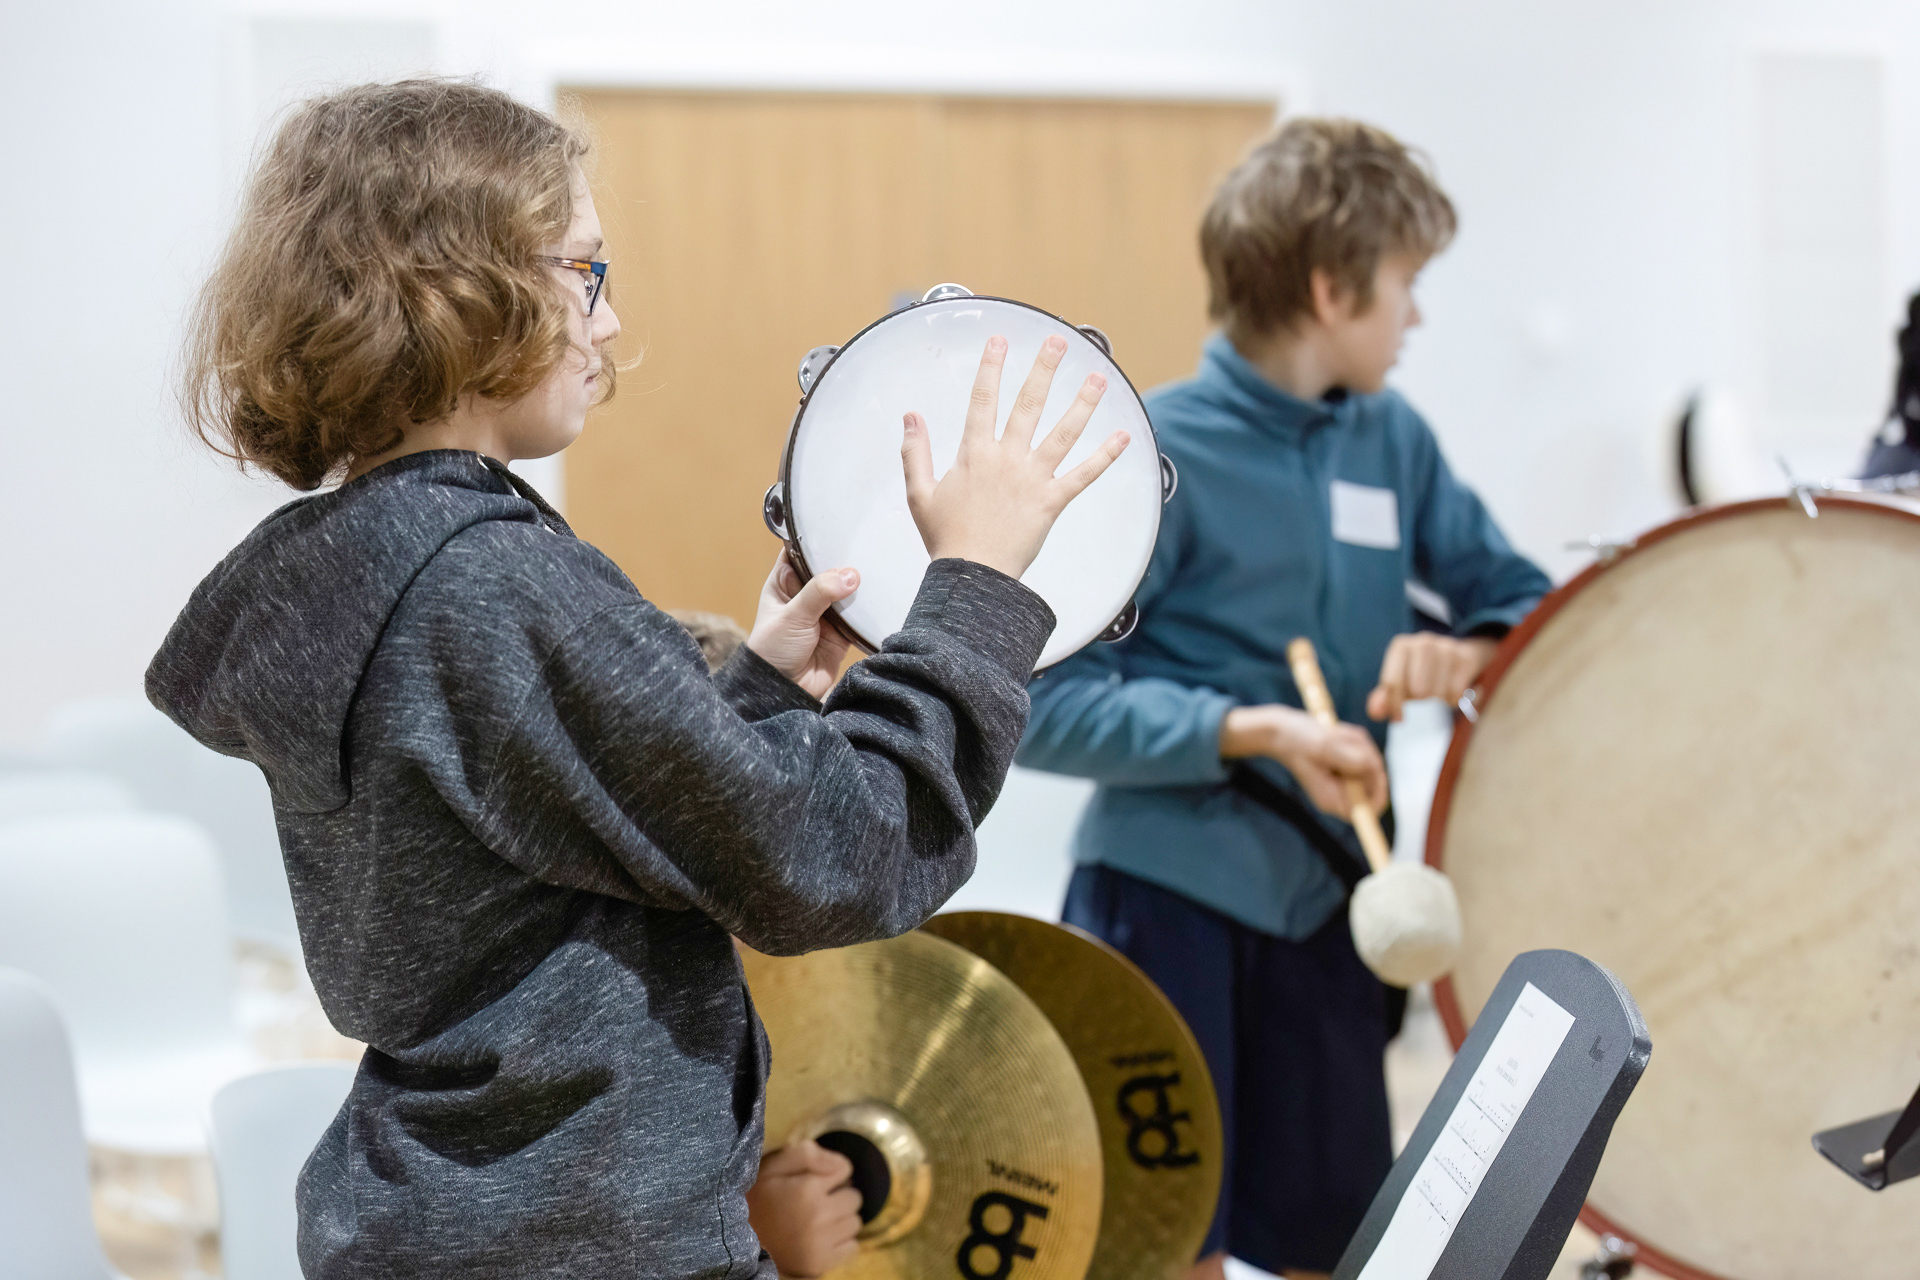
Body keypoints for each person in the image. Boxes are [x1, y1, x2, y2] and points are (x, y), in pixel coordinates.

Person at [149, 78, 1128, 1279]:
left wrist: (752, 702)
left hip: (450, 1219)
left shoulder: (358, 573)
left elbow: (555, 849)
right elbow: (838, 858)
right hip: (589, 1239)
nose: (607, 323)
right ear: (460, 289)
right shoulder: (495, 585)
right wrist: (975, 584)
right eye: (584, 270)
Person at [1016, 118, 1552, 1280]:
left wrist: (1464, 647)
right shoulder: (1154, 451)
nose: (1417, 315)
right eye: (1406, 283)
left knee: (1332, 1244)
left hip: (1329, 911)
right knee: (1168, 1246)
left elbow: (1517, 596)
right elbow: (1038, 707)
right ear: (1329, 287)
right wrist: (1244, 728)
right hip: (1163, 909)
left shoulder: (1392, 438)